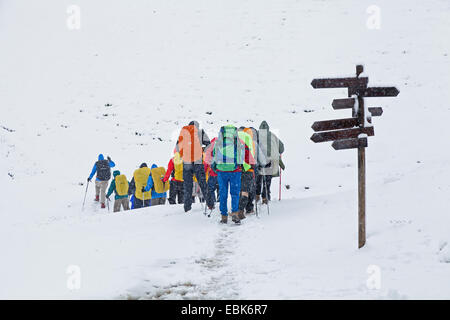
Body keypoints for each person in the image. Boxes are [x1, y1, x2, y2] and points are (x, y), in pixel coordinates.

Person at [175, 120, 214, 212]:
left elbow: (177, 148)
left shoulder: (184, 132)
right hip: (198, 162)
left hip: (186, 162)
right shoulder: (200, 132)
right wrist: (202, 151)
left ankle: (187, 208)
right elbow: (209, 144)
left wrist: (184, 155)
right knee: (203, 184)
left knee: (188, 186)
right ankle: (210, 204)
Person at [212, 124, 245, 224]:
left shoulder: (219, 141)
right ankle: (234, 213)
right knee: (235, 193)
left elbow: (214, 153)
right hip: (235, 171)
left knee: (223, 193)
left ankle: (224, 216)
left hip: (221, 171)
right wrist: (239, 165)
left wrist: (215, 166)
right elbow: (241, 153)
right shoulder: (237, 141)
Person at [256, 121, 285, 204]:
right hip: (270, 162)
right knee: (267, 180)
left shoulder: (256, 135)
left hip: (259, 162)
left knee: (258, 179)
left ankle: (257, 195)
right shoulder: (272, 135)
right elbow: (281, 148)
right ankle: (265, 196)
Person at [204, 137, 219, 206]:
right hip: (222, 174)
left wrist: (203, 172)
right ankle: (220, 203)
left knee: (210, 189)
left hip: (213, 174)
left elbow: (206, 163)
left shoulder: (209, 149)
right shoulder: (222, 148)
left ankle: (212, 203)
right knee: (221, 189)